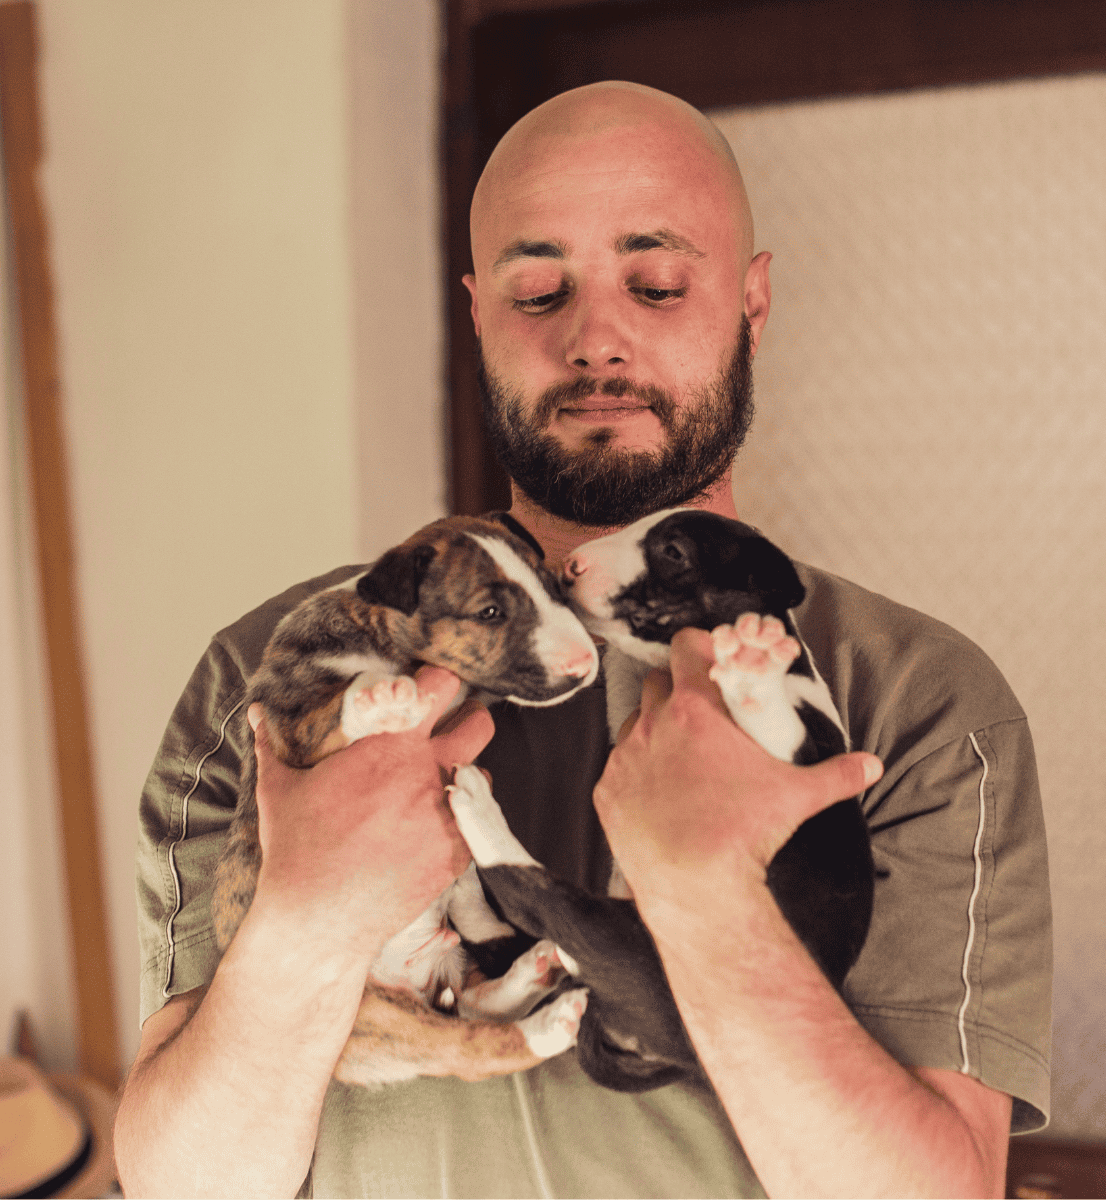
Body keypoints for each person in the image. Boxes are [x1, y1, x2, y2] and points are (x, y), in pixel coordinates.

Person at [114, 82, 1051, 1198]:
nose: (596, 337)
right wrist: (310, 917)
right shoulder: (281, 676)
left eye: (655, 283)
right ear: (475, 311)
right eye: (539, 288)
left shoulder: (918, 702)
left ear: (753, 303)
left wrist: (706, 893)